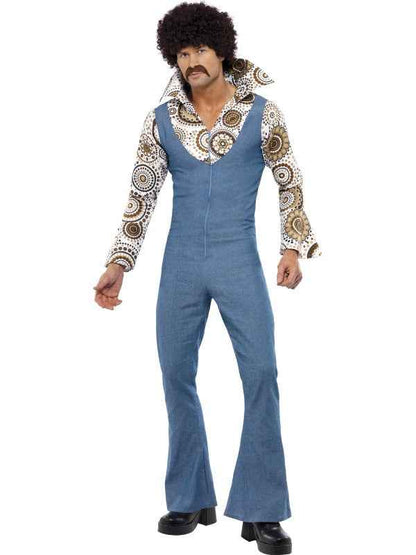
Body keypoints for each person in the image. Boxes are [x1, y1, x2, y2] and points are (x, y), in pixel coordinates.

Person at [94, 2, 322, 553]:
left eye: (200, 49)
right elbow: (141, 194)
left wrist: (292, 247)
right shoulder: (161, 119)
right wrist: (119, 262)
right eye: (182, 53)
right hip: (180, 264)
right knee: (176, 374)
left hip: (238, 257)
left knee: (261, 372)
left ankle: (262, 510)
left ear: (221, 51)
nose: (191, 60)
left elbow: (290, 181)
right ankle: (190, 497)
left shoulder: (263, 113)